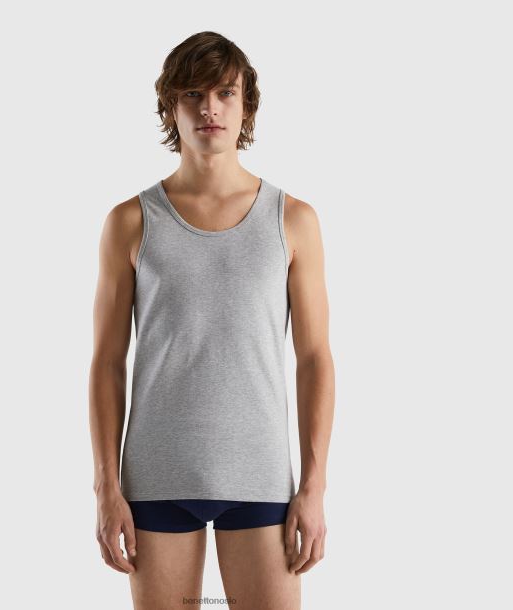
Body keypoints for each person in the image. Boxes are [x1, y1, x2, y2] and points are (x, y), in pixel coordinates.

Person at [89, 31, 335, 609]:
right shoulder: (130, 222)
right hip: (156, 475)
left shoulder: (293, 220)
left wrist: (314, 486)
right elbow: (106, 363)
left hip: (261, 475)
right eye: (193, 94)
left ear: (246, 104)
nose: (209, 108)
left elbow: (315, 358)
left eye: (225, 92)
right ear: (170, 106)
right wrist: (105, 488)